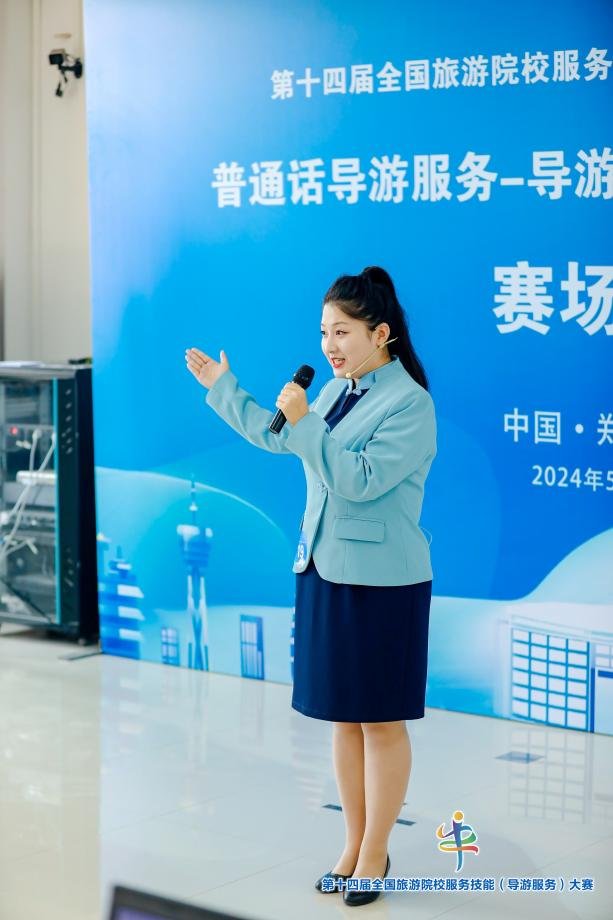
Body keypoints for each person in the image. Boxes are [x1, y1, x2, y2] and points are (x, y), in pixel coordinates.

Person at [185, 266, 436, 907]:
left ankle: (376, 852)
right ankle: (352, 844)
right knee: (343, 718)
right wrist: (224, 389)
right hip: (324, 569)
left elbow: (359, 479)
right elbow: (280, 437)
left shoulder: (410, 403)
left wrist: (307, 425)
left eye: (343, 332)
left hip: (384, 583)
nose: (330, 345)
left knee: (380, 721)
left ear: (381, 334)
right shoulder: (332, 393)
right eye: (324, 332)